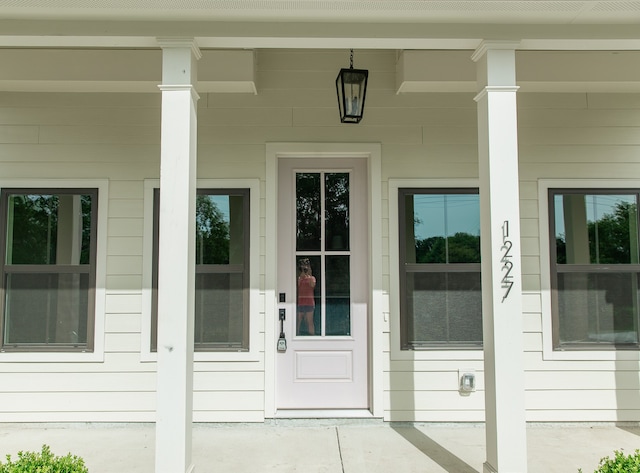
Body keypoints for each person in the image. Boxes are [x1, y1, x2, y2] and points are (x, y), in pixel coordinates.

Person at [297, 258, 316, 335]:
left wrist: (309, 275)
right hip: (301, 302)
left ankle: (312, 337)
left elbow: (312, 285)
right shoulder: (299, 278)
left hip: (309, 302)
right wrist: (301, 276)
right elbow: (298, 286)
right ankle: (296, 334)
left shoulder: (312, 278)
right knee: (298, 321)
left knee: (309, 321)